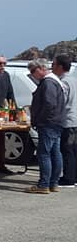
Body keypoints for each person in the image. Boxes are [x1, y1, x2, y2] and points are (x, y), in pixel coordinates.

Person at [26, 56, 66, 194]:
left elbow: (49, 104)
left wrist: (39, 119)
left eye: (33, 70)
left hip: (49, 123)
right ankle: (53, 183)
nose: (32, 74)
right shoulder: (55, 81)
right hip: (57, 121)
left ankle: (44, 184)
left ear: (42, 68)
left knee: (44, 154)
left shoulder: (48, 82)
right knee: (55, 153)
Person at [59, 55, 77, 187]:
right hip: (75, 119)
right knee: (74, 150)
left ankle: (68, 178)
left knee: (67, 149)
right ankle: (74, 177)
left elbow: (62, 101)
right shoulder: (74, 80)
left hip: (68, 120)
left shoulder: (64, 82)